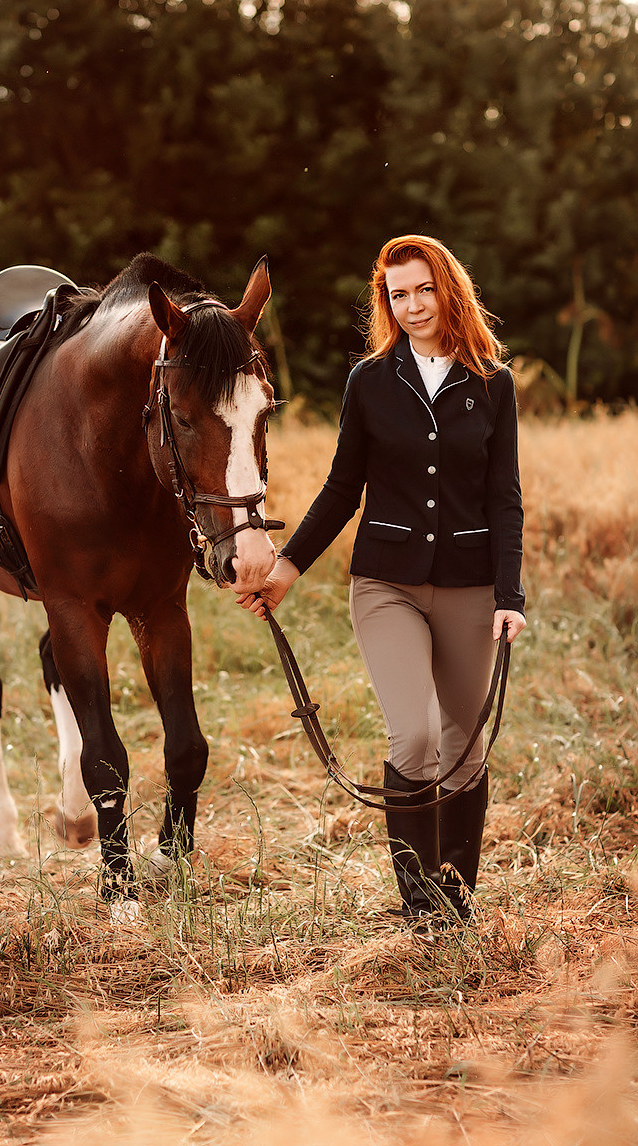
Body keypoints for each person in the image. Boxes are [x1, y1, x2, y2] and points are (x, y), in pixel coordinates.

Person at [238, 234, 526, 933]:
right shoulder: (369, 381)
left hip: (470, 584)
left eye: (425, 289)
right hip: (385, 584)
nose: (414, 304)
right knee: (416, 736)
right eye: (399, 294)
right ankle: (421, 906)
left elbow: (504, 498)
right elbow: (343, 488)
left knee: (464, 746)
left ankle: (455, 899)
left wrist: (509, 596)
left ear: (448, 290)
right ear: (386, 302)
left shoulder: (493, 383)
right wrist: (286, 569)